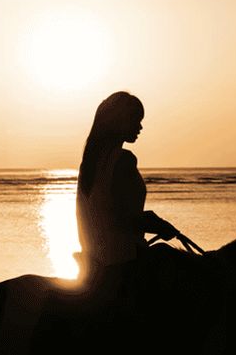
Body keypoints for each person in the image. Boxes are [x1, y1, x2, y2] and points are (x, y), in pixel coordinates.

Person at [75, 91, 178, 278]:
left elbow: (106, 212)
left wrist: (146, 219)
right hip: (122, 260)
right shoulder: (123, 160)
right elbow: (123, 219)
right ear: (118, 121)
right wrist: (157, 225)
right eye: (135, 119)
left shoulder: (89, 163)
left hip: (93, 259)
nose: (140, 127)